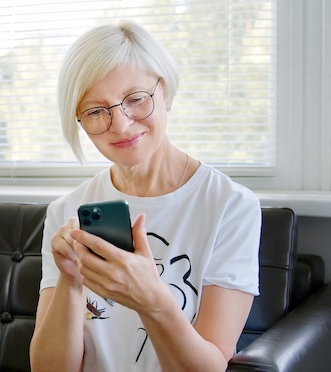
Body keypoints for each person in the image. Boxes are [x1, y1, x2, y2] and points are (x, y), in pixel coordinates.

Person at [29, 19, 261, 372]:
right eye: (95, 111)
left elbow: (210, 366)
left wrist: (151, 299)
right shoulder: (66, 212)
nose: (120, 124)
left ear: (165, 93)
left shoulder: (230, 206)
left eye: (135, 99)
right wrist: (71, 281)